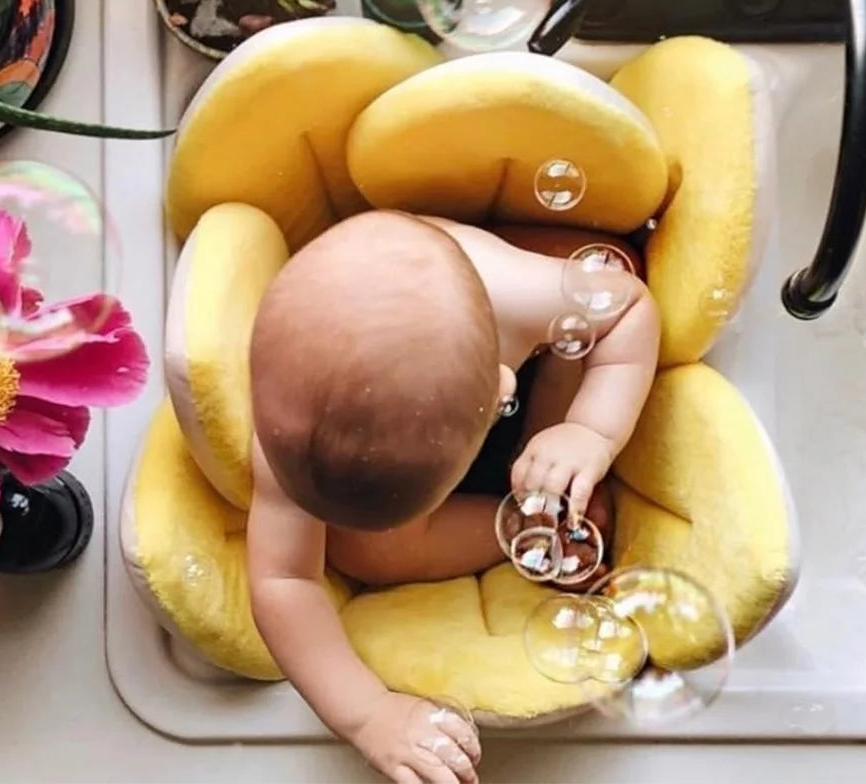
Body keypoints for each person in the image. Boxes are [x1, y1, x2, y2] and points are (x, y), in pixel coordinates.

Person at [247, 210, 660, 784]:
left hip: (509, 298)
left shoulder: (520, 299)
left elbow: (632, 308)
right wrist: (368, 715)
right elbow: (282, 582)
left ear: (499, 397)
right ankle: (518, 522)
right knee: (366, 553)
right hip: (417, 338)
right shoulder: (285, 435)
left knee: (599, 284)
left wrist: (589, 432)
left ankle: (543, 497)